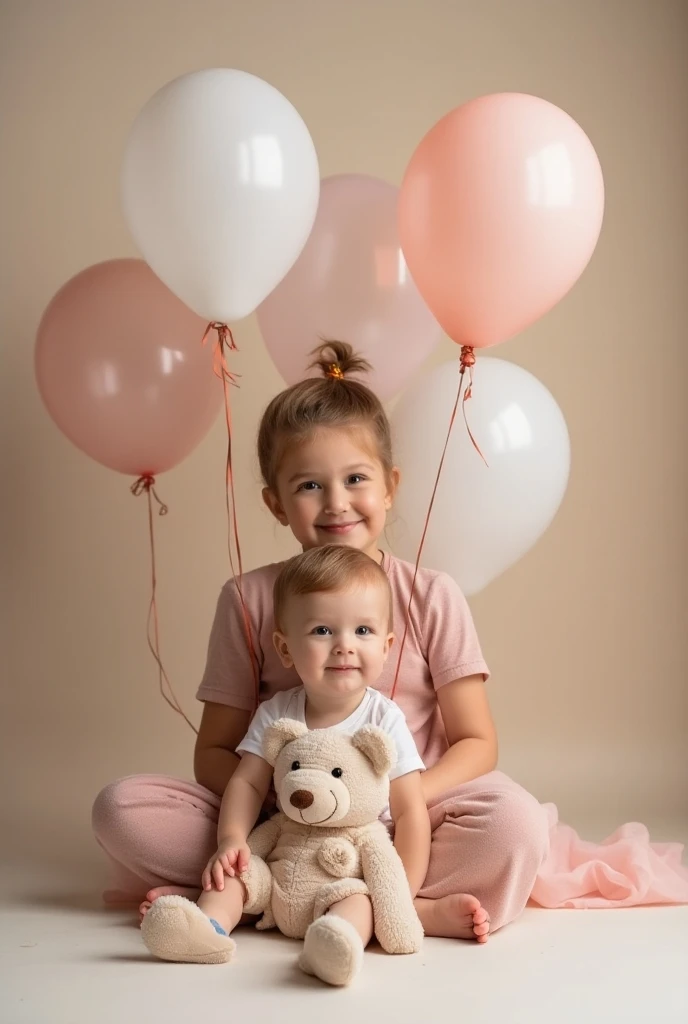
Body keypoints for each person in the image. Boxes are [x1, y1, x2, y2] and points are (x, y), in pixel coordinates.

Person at [93, 341, 549, 943]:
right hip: (284, 814)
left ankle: (355, 896)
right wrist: (289, 804)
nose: (336, 503)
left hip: (406, 814)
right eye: (308, 485)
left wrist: (387, 796)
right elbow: (215, 751)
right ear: (275, 502)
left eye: (355, 479)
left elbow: (477, 741)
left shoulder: (432, 595)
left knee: (515, 827)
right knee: (122, 810)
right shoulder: (248, 601)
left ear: (389, 486)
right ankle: (274, 878)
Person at [140, 544, 430, 981]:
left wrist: (399, 895)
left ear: (388, 646)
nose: (344, 646)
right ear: (286, 648)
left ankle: (333, 945)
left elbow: (410, 811)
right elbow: (248, 784)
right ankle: (205, 930)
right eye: (321, 631)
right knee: (234, 876)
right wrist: (232, 840)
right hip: (282, 855)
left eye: (364, 631)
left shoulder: (383, 718)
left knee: (357, 903)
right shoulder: (278, 712)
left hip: (347, 863)